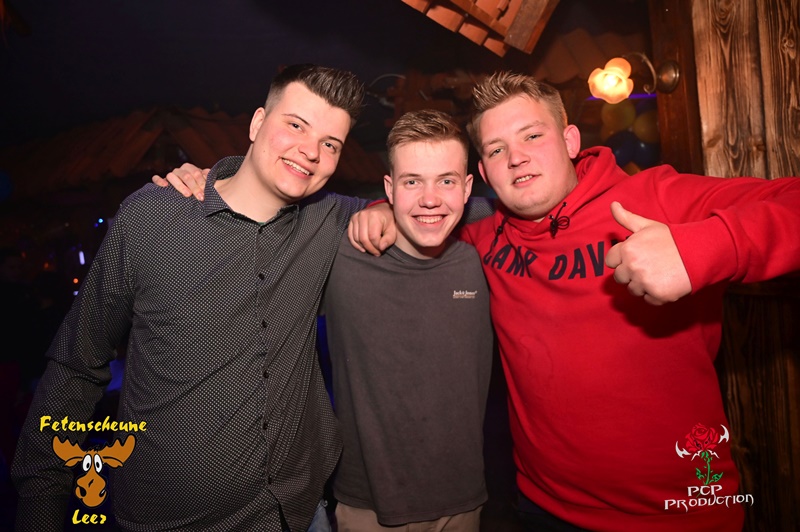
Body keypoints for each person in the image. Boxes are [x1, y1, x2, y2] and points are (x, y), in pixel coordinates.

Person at [349, 71, 800, 531]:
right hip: (540, 507)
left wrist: (705, 248)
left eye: (532, 136)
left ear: (570, 141)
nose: (516, 158)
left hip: (678, 514)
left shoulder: (655, 198)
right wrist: (382, 211)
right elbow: (428, 218)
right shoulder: (482, 240)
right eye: (497, 150)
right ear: (483, 174)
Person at [11, 64, 368, 532]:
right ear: (258, 123)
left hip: (298, 513)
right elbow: (77, 365)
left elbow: (424, 205)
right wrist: (40, 508)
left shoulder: (330, 220)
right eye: (296, 125)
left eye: (331, 144)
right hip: (170, 521)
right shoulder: (152, 217)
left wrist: (388, 209)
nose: (311, 151)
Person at [158, 109, 496, 531]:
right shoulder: (341, 256)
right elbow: (258, 226)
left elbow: (515, 206)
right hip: (366, 507)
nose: (430, 198)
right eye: (412, 182)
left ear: (467, 187)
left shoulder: (485, 258)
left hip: (462, 502)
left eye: (446, 181)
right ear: (389, 188)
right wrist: (213, 184)